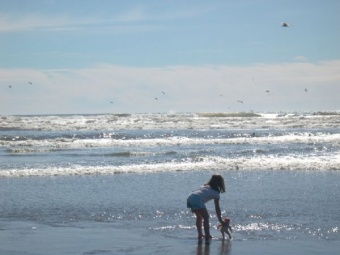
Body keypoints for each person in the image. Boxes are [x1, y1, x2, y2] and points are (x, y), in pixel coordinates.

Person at [187, 174, 227, 242]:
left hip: (190, 197)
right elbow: (217, 208)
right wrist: (220, 220)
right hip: (197, 199)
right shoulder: (216, 193)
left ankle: (200, 234)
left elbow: (198, 192)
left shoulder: (204, 186)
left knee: (199, 217)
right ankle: (207, 235)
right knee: (206, 217)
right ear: (220, 183)